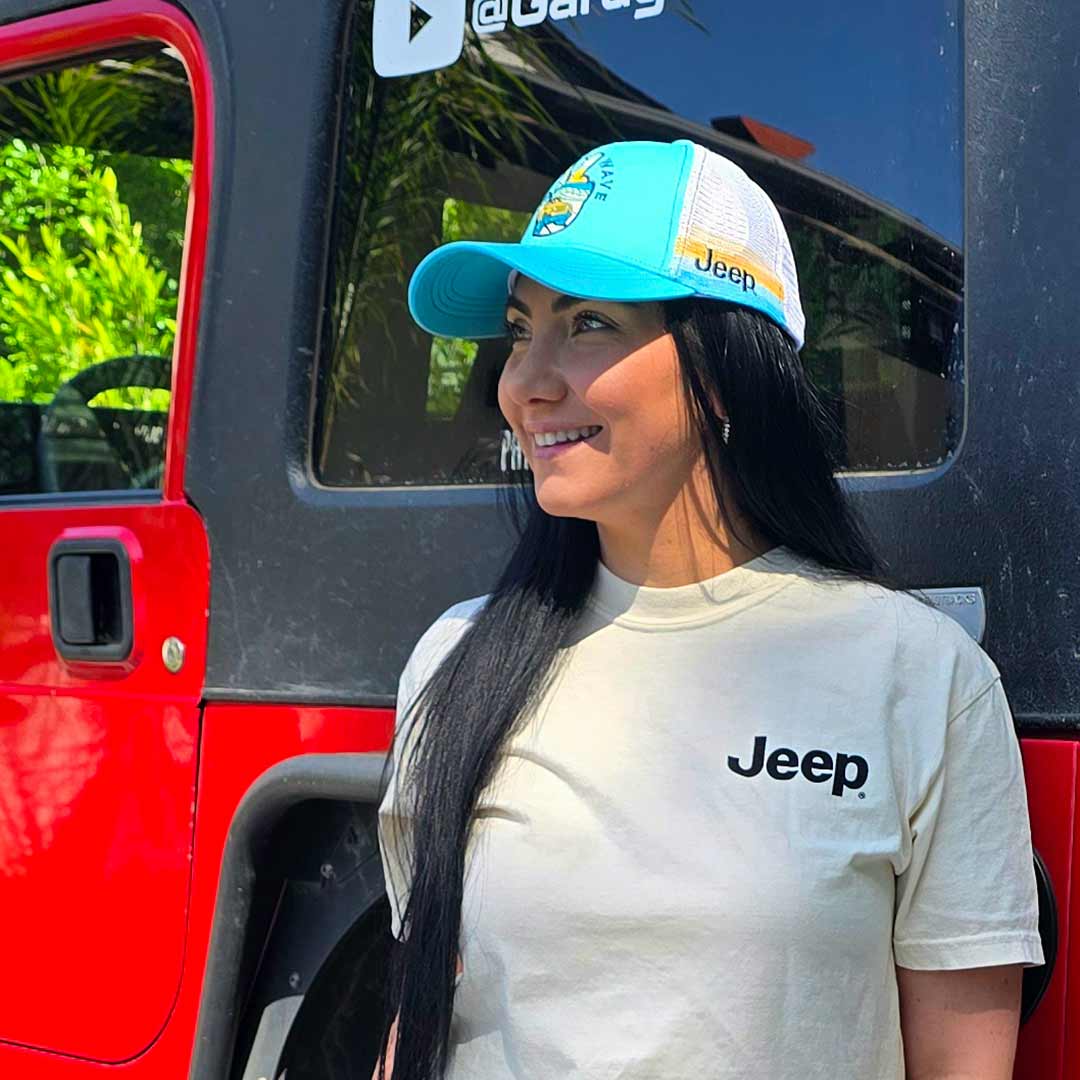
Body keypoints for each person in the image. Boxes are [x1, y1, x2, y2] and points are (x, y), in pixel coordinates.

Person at [372, 139, 1044, 1080]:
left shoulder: (922, 679)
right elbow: (423, 1021)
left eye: (590, 323)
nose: (525, 382)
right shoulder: (454, 662)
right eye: (521, 330)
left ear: (725, 369)